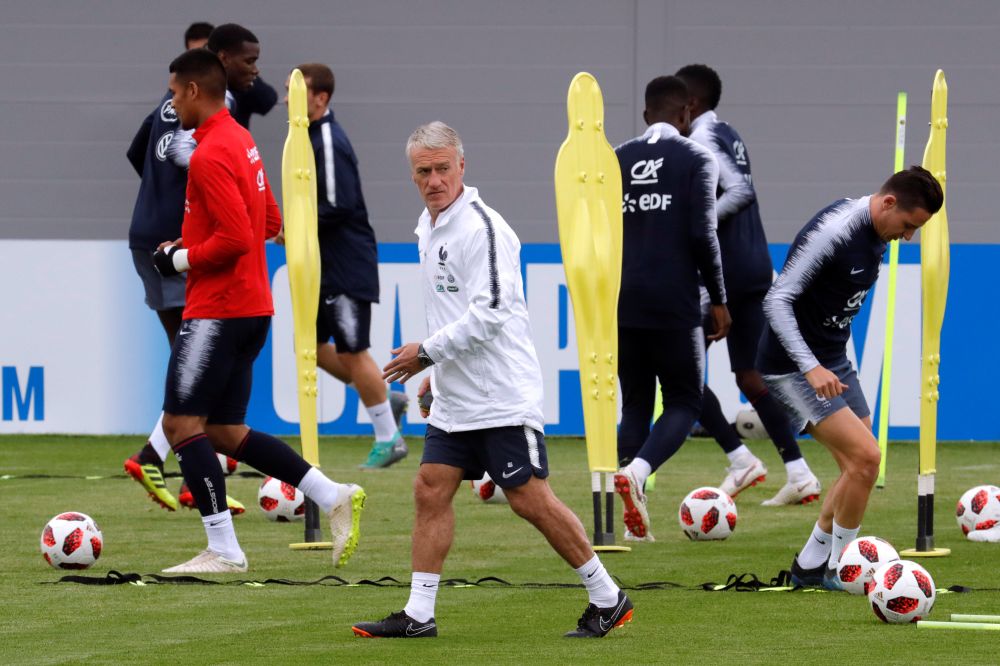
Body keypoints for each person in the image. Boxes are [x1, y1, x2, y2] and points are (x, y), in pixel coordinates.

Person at [350, 122, 632, 638]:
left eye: (442, 168)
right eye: (423, 171)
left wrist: (426, 353)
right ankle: (418, 615)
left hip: (500, 395)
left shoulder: (483, 227)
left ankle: (608, 597)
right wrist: (437, 373)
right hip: (456, 398)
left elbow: (492, 313)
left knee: (529, 499)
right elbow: (452, 311)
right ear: (412, 175)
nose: (434, 180)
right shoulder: (429, 225)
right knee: (430, 488)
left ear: (462, 166)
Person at [151, 48, 366, 573]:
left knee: (180, 425)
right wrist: (191, 240)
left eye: (175, 93)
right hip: (251, 308)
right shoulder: (241, 141)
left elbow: (232, 239)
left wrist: (178, 258)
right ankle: (332, 494)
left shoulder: (209, 153)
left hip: (217, 309)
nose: (172, 103)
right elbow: (268, 219)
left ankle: (225, 549)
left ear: (194, 91)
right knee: (224, 431)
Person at [760, 166, 943, 588]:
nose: (908, 237)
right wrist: (811, 367)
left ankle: (810, 566)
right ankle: (845, 568)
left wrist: (829, 361)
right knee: (866, 459)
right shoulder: (835, 231)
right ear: (888, 202)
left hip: (832, 359)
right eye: (908, 226)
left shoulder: (878, 233)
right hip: (792, 366)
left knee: (857, 467)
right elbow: (777, 300)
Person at [122, 24, 273, 513]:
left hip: (156, 235)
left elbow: (136, 152)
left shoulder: (176, 107)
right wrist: (186, 228)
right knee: (195, 366)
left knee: (194, 365)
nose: (255, 70)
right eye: (248, 61)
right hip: (176, 245)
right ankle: (164, 463)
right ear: (221, 62)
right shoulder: (208, 122)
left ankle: (177, 467)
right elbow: (203, 177)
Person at [675, 63, 821, 506]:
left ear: (691, 103)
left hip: (724, 272)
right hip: (754, 265)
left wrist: (693, 222)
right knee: (752, 376)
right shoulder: (729, 134)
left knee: (681, 373)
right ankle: (799, 473)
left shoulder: (701, 138)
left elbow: (739, 191)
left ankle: (740, 459)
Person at [612, 76, 730, 542]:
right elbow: (704, 233)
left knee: (636, 401)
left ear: (646, 115)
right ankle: (637, 473)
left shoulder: (615, 158)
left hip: (622, 299)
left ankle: (630, 515)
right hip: (674, 298)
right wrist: (719, 299)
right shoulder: (698, 157)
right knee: (684, 399)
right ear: (686, 115)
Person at [278, 63, 408, 468]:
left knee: (353, 352)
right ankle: (384, 397)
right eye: (287, 91)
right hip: (321, 266)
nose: (287, 99)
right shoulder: (306, 138)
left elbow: (338, 204)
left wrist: (294, 228)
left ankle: (389, 439)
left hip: (346, 264)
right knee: (312, 349)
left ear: (321, 98)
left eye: (297, 92)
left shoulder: (328, 139)